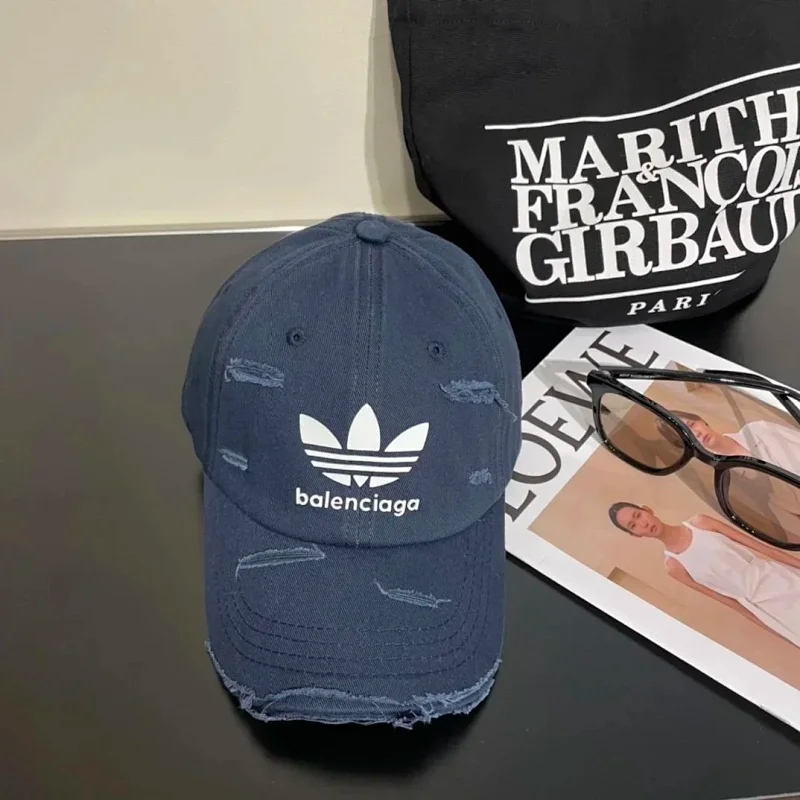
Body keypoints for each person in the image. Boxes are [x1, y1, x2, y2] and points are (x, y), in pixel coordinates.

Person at [608, 501, 800, 647]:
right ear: (635, 535)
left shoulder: (700, 523)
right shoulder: (674, 567)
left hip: (778, 578)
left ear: (647, 509)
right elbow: (733, 604)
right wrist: (782, 633)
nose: (642, 523)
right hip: (766, 608)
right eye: (633, 526)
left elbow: (765, 549)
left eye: (638, 515)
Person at [660, 410, 800, 543]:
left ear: (701, 420)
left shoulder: (756, 430)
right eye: (689, 437)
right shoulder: (729, 480)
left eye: (692, 425)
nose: (696, 434)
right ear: (687, 449)